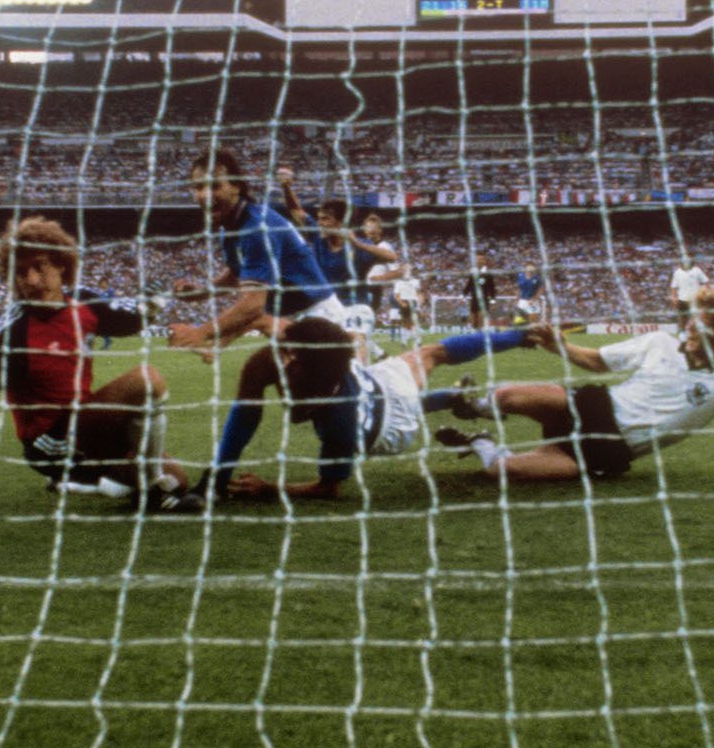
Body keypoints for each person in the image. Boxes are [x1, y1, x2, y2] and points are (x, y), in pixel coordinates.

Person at [0, 217, 201, 515]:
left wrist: (159, 299)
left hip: (87, 429)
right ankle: (148, 490)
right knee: (146, 380)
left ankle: (84, 480)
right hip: (48, 443)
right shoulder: (11, 334)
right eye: (21, 272)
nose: (32, 280)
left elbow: (126, 320)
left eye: (40, 266)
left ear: (62, 264)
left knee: (178, 479)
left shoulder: (82, 303)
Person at [435, 286, 714, 488]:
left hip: (611, 450)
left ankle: (481, 440)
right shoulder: (657, 342)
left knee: (502, 470)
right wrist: (559, 345)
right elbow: (598, 361)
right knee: (508, 396)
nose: (688, 323)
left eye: (699, 320)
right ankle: (473, 405)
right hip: (592, 407)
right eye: (690, 317)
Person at [203, 317, 538, 502]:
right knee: (428, 353)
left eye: (293, 359)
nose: (282, 358)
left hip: (390, 428)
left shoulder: (340, 423)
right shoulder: (291, 355)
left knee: (424, 363)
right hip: (367, 381)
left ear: (310, 372)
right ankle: (461, 392)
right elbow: (247, 408)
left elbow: (327, 488)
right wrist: (219, 475)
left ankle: (462, 389)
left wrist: (270, 488)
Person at [168, 149, 346, 361]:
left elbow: (253, 304)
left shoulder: (257, 228)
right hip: (291, 319)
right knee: (267, 378)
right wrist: (201, 293)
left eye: (215, 186)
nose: (205, 195)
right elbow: (235, 275)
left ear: (236, 187)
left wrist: (200, 333)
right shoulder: (232, 227)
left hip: (320, 317)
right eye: (198, 187)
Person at [275, 167, 398, 359]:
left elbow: (392, 258)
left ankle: (360, 380)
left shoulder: (358, 247)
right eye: (319, 218)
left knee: (356, 345)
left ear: (340, 223)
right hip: (326, 308)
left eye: (326, 219)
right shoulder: (318, 237)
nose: (320, 223)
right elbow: (296, 211)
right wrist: (286, 188)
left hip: (356, 306)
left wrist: (357, 243)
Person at [669, 255, 709, 329]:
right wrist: (674, 297)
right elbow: (673, 286)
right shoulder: (677, 272)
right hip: (682, 299)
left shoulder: (697, 270)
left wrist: (704, 292)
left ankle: (698, 333)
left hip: (695, 299)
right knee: (682, 318)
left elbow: (705, 281)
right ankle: (682, 334)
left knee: (697, 317)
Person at [389, 264, 425, 343]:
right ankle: (407, 338)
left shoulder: (416, 281)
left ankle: (416, 338)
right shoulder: (398, 282)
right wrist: (401, 303)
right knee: (405, 321)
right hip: (404, 301)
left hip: (413, 301)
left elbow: (419, 293)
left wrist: (420, 302)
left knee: (414, 320)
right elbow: (396, 295)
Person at [462, 261, 499, 329]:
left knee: (480, 319)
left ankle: (480, 334)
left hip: (484, 300)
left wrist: (493, 299)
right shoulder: (473, 274)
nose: (479, 262)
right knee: (473, 320)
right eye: (477, 260)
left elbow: (492, 288)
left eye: (481, 260)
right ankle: (474, 334)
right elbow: (469, 285)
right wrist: (464, 295)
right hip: (474, 300)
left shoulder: (488, 275)